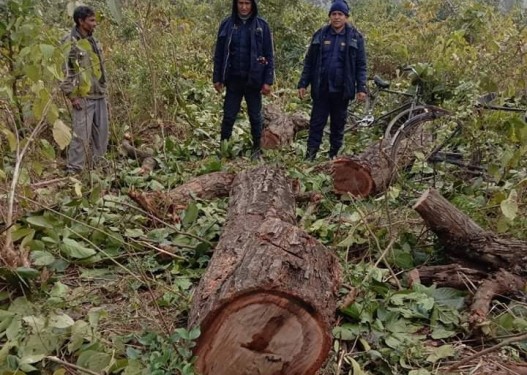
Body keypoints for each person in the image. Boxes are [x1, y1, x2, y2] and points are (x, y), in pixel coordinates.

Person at [298, 0, 367, 161]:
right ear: (330, 16)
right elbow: (309, 61)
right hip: (321, 88)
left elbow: (361, 65)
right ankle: (310, 157)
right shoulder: (321, 34)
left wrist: (361, 88)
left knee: (338, 126)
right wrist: (303, 83)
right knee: (316, 124)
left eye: (340, 14)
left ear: (346, 17)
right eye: (334, 14)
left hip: (342, 90)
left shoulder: (355, 37)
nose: (336, 17)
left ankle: (333, 157)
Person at [213, 0, 274, 160]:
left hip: (254, 80)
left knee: (255, 116)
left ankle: (256, 148)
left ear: (252, 5)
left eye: (247, 3)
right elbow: (219, 53)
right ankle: (223, 147)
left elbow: (269, 55)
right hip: (233, 80)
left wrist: (268, 81)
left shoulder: (262, 26)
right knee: (228, 116)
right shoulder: (227, 25)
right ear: (236, 4)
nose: (244, 7)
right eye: (241, 3)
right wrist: (217, 78)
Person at [61, 5, 108, 173]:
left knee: (101, 135)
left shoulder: (93, 40)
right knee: (80, 136)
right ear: (81, 21)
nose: (95, 24)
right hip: (83, 97)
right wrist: (72, 96)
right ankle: (74, 170)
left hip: (99, 94)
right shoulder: (70, 41)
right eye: (91, 20)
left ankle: (99, 168)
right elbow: (64, 71)